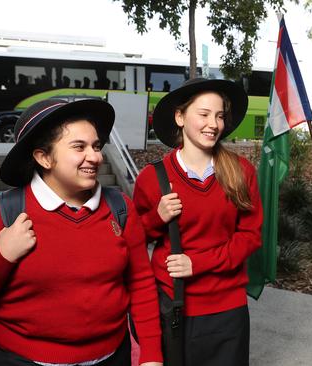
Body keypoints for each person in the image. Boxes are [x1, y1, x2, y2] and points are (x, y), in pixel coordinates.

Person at [0, 99, 163, 366]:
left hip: (112, 357)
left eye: (96, 146)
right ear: (44, 157)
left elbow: (141, 283)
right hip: (22, 360)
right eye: (79, 147)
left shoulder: (120, 207)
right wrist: (1, 257)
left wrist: (151, 356)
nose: (95, 156)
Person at [132, 78, 262, 366]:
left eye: (218, 116)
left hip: (228, 310)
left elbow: (250, 236)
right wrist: (157, 217)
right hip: (174, 307)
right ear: (180, 117)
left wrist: (198, 263)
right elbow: (132, 242)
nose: (213, 124)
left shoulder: (241, 171)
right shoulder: (152, 178)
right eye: (203, 114)